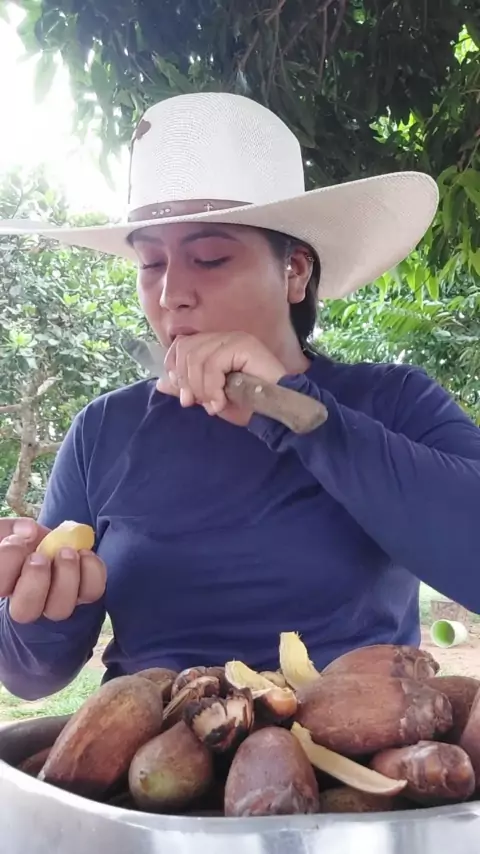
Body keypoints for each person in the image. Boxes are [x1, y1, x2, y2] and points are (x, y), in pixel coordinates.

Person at [0, 92, 478, 702]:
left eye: (210, 258)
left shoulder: (392, 402)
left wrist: (289, 408)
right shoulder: (103, 431)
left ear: (295, 271)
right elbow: (29, 676)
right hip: (150, 751)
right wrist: (46, 602)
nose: (171, 294)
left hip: (360, 745)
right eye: (151, 264)